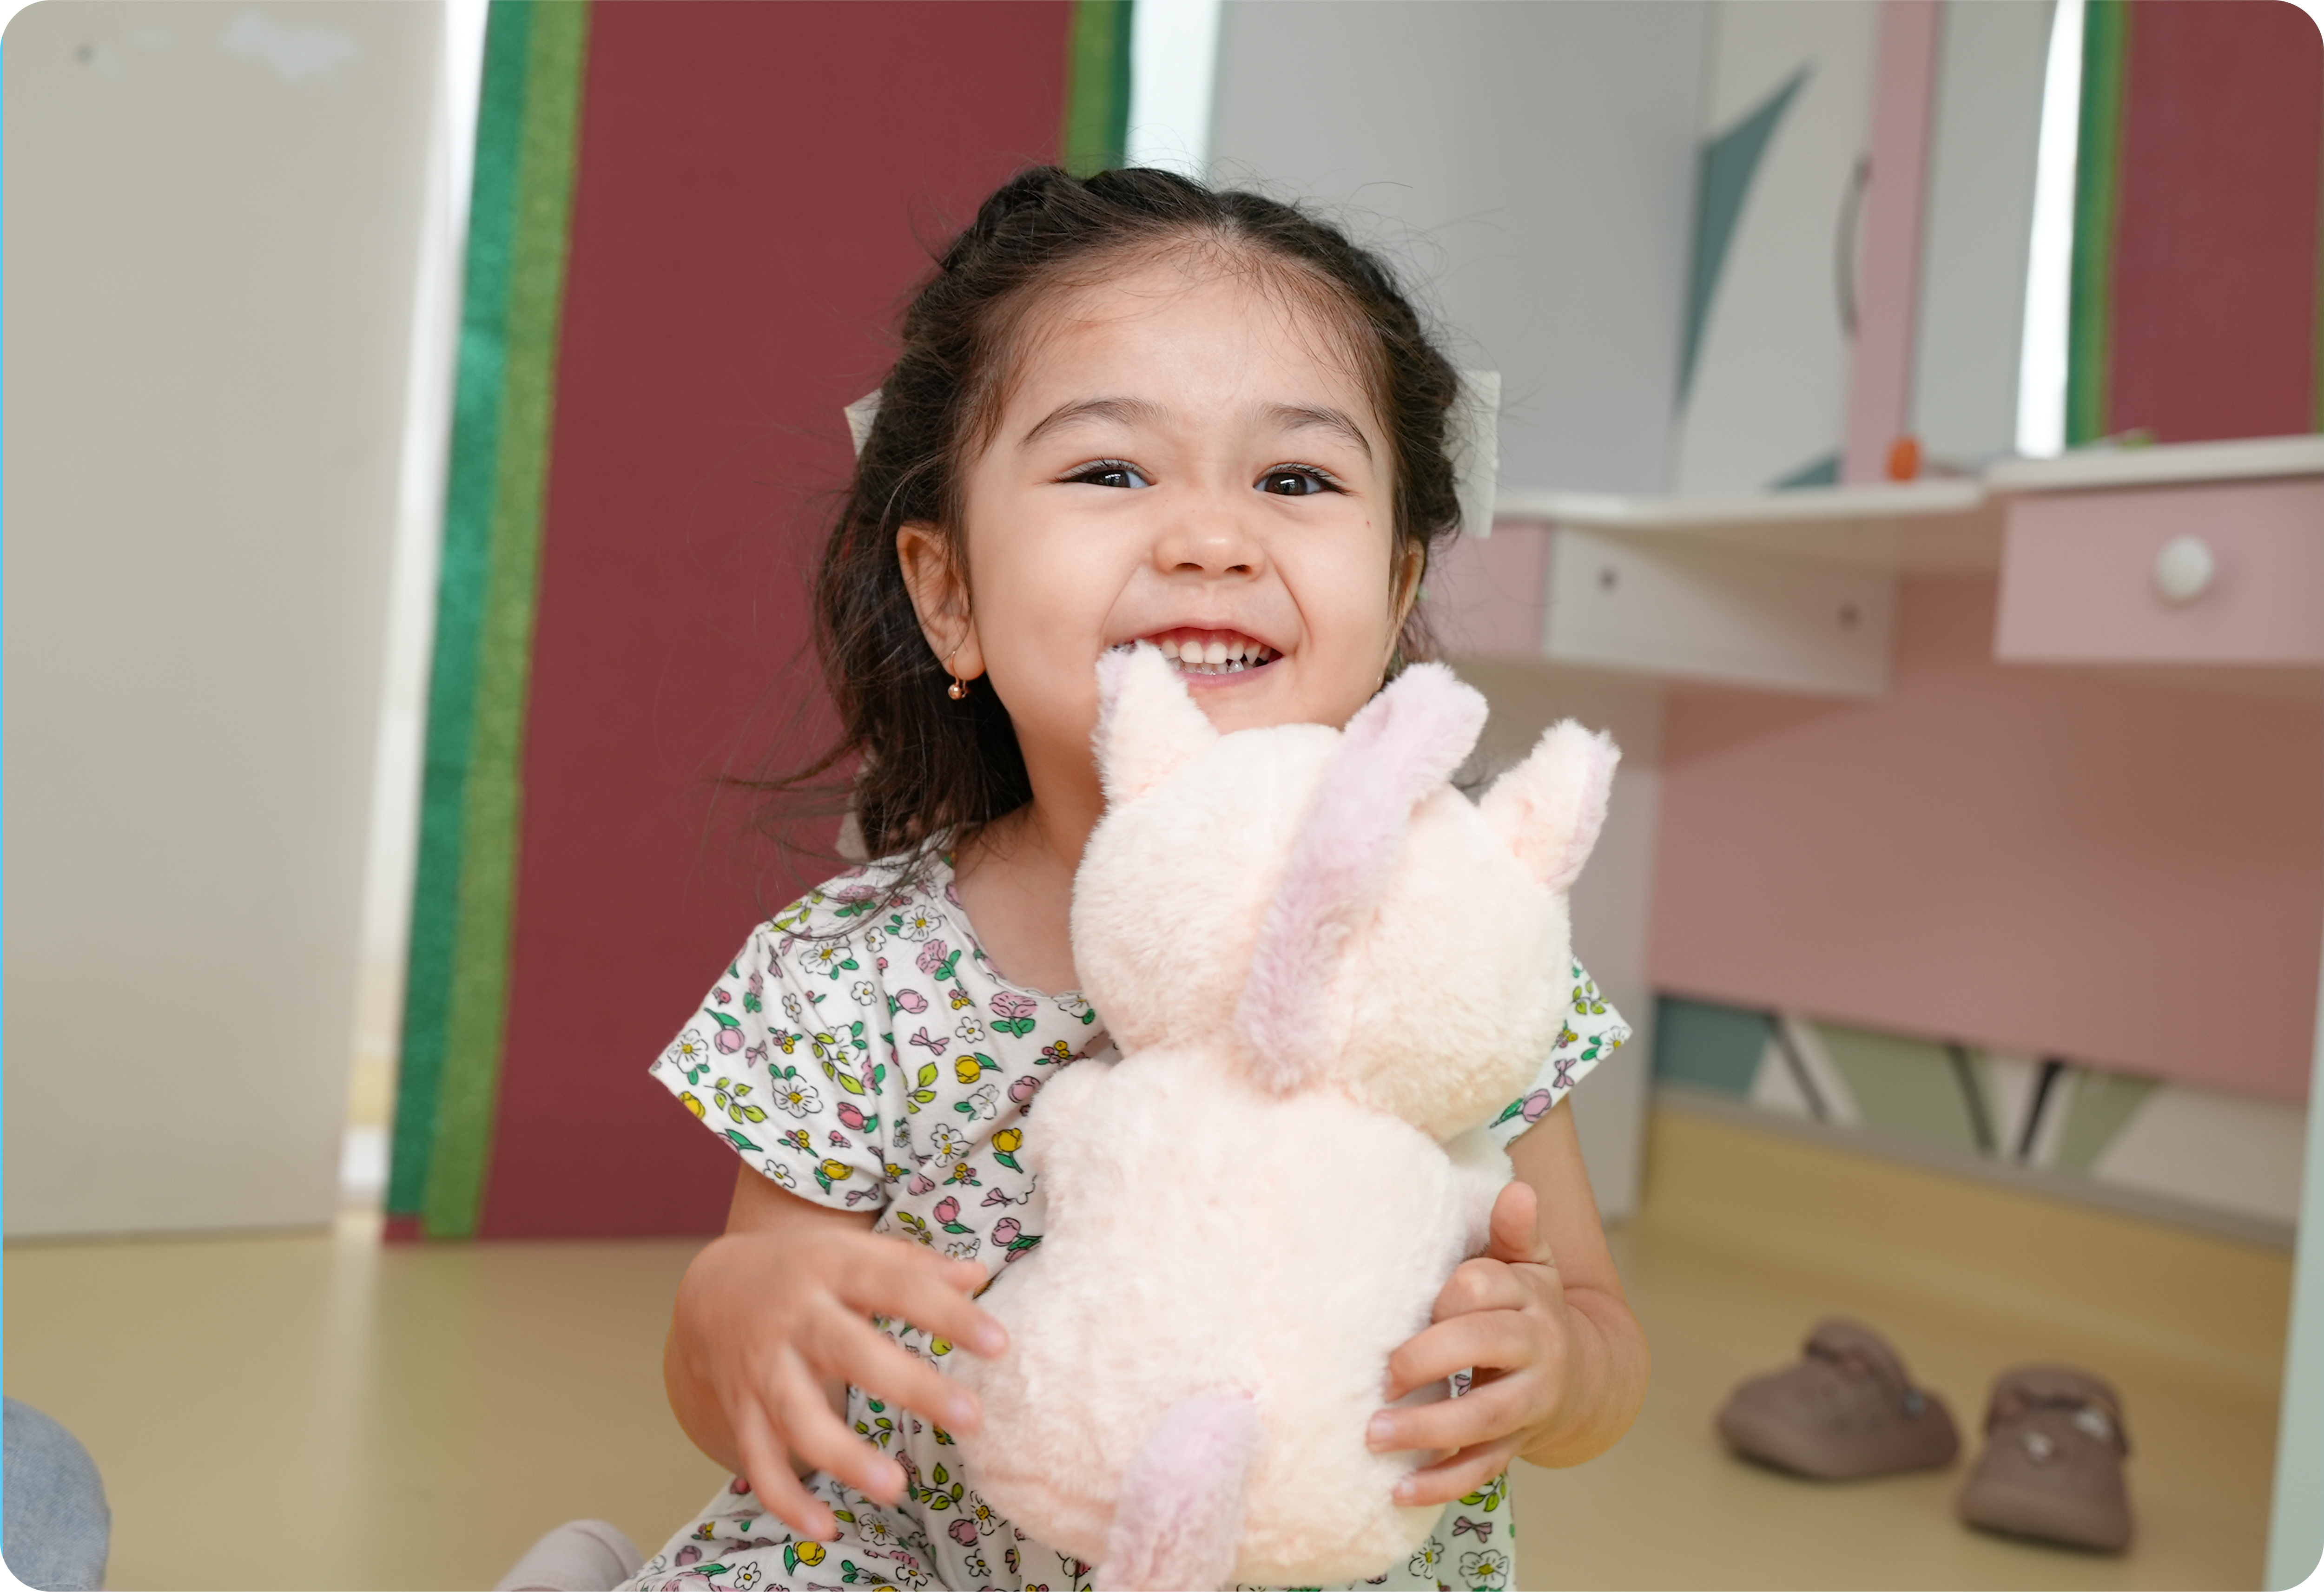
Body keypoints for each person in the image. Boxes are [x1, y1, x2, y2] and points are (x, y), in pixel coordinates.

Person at [628, 166, 1650, 1592]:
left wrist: (1555, 1367)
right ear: (951, 594)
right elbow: (746, 1390)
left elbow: (1598, 1336)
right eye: (1111, 471)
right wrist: (730, 1319)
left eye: (1295, 480)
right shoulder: (855, 974)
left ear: (1397, 592)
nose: (1210, 540)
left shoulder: (1459, 941)